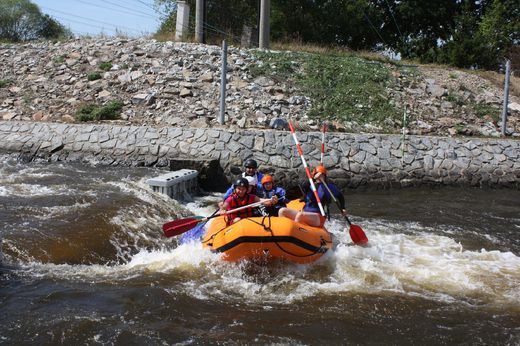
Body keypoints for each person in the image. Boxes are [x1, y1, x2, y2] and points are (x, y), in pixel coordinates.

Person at [278, 165, 347, 227]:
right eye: (318, 175)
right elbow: (303, 185)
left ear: (325, 176)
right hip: (305, 212)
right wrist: (313, 179)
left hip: (319, 216)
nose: (320, 177)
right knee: (282, 211)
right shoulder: (309, 185)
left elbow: (340, 196)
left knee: (300, 215)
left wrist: (343, 208)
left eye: (322, 175)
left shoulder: (329, 187)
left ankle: (295, 233)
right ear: (314, 175)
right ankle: (282, 232)